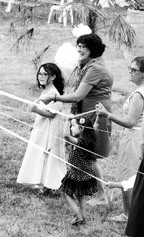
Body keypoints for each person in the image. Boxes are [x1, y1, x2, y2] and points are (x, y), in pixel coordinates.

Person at [42, 33, 113, 203]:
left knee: (90, 154)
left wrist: (54, 97)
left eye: (84, 46)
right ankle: (77, 188)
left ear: (93, 49)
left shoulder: (95, 68)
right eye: (78, 46)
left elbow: (77, 96)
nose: (80, 49)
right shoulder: (91, 64)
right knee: (85, 153)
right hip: (88, 111)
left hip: (92, 113)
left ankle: (102, 195)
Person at [96, 56, 144, 221]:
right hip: (137, 136)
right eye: (129, 68)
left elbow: (131, 122)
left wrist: (107, 115)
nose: (130, 72)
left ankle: (128, 215)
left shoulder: (139, 94)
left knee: (128, 176)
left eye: (134, 70)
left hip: (133, 138)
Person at [16, 63, 67, 193]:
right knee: (40, 154)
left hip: (51, 129)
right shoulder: (46, 90)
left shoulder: (54, 93)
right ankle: (42, 181)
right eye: (40, 74)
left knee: (49, 155)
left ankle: (50, 185)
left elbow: (52, 114)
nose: (41, 76)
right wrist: (35, 125)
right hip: (43, 127)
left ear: (53, 76)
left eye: (45, 74)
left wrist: (35, 110)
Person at [61, 117, 98, 226]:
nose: (71, 128)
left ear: (81, 128)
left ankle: (78, 215)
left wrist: (67, 121)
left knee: (66, 193)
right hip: (85, 175)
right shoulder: (88, 140)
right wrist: (98, 116)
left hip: (76, 175)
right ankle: (83, 217)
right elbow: (95, 127)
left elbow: (66, 136)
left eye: (73, 126)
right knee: (81, 196)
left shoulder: (80, 142)